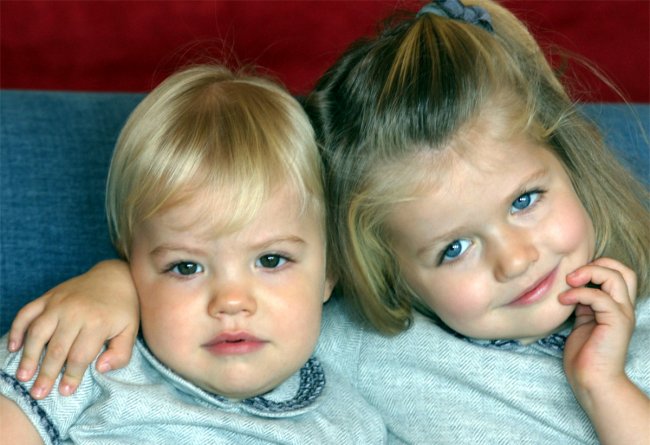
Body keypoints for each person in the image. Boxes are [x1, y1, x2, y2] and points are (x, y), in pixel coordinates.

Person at [5, 1, 650, 443]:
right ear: (380, 272)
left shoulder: (641, 324)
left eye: (524, 201)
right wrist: (114, 281)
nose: (514, 260)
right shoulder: (374, 348)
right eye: (453, 246)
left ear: (570, 159)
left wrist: (605, 386)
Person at [0, 64, 387, 444]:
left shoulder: (352, 424)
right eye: (186, 267)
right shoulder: (89, 358)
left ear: (330, 270)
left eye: (271, 260)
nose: (231, 301)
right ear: (130, 268)